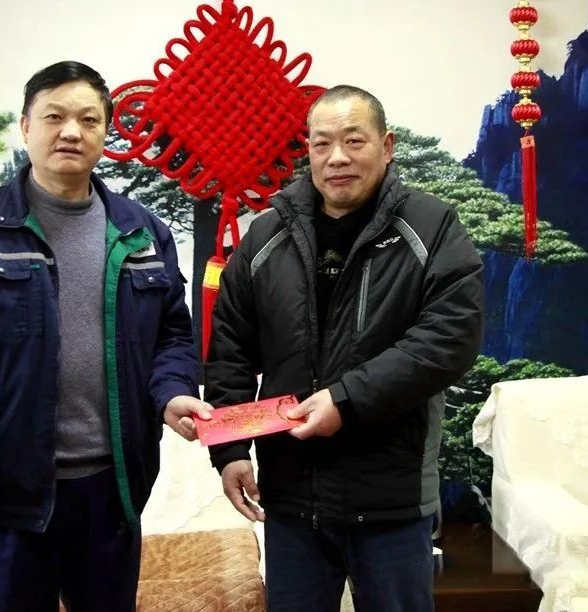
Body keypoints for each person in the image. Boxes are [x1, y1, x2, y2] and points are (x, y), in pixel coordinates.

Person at [0, 60, 210, 612]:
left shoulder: (142, 232)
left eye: (89, 120)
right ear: (26, 126)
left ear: (105, 132)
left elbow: (172, 336)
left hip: (113, 489)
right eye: (54, 117)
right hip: (8, 495)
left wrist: (172, 393)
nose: (72, 131)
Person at [204, 85, 483, 611]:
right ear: (308, 151)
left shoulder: (431, 227)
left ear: (386, 145)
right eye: (322, 143)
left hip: (391, 497)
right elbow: (231, 349)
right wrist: (230, 450)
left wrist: (346, 399)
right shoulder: (266, 236)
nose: (337, 157)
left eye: (354, 141)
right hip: (291, 497)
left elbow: (450, 338)